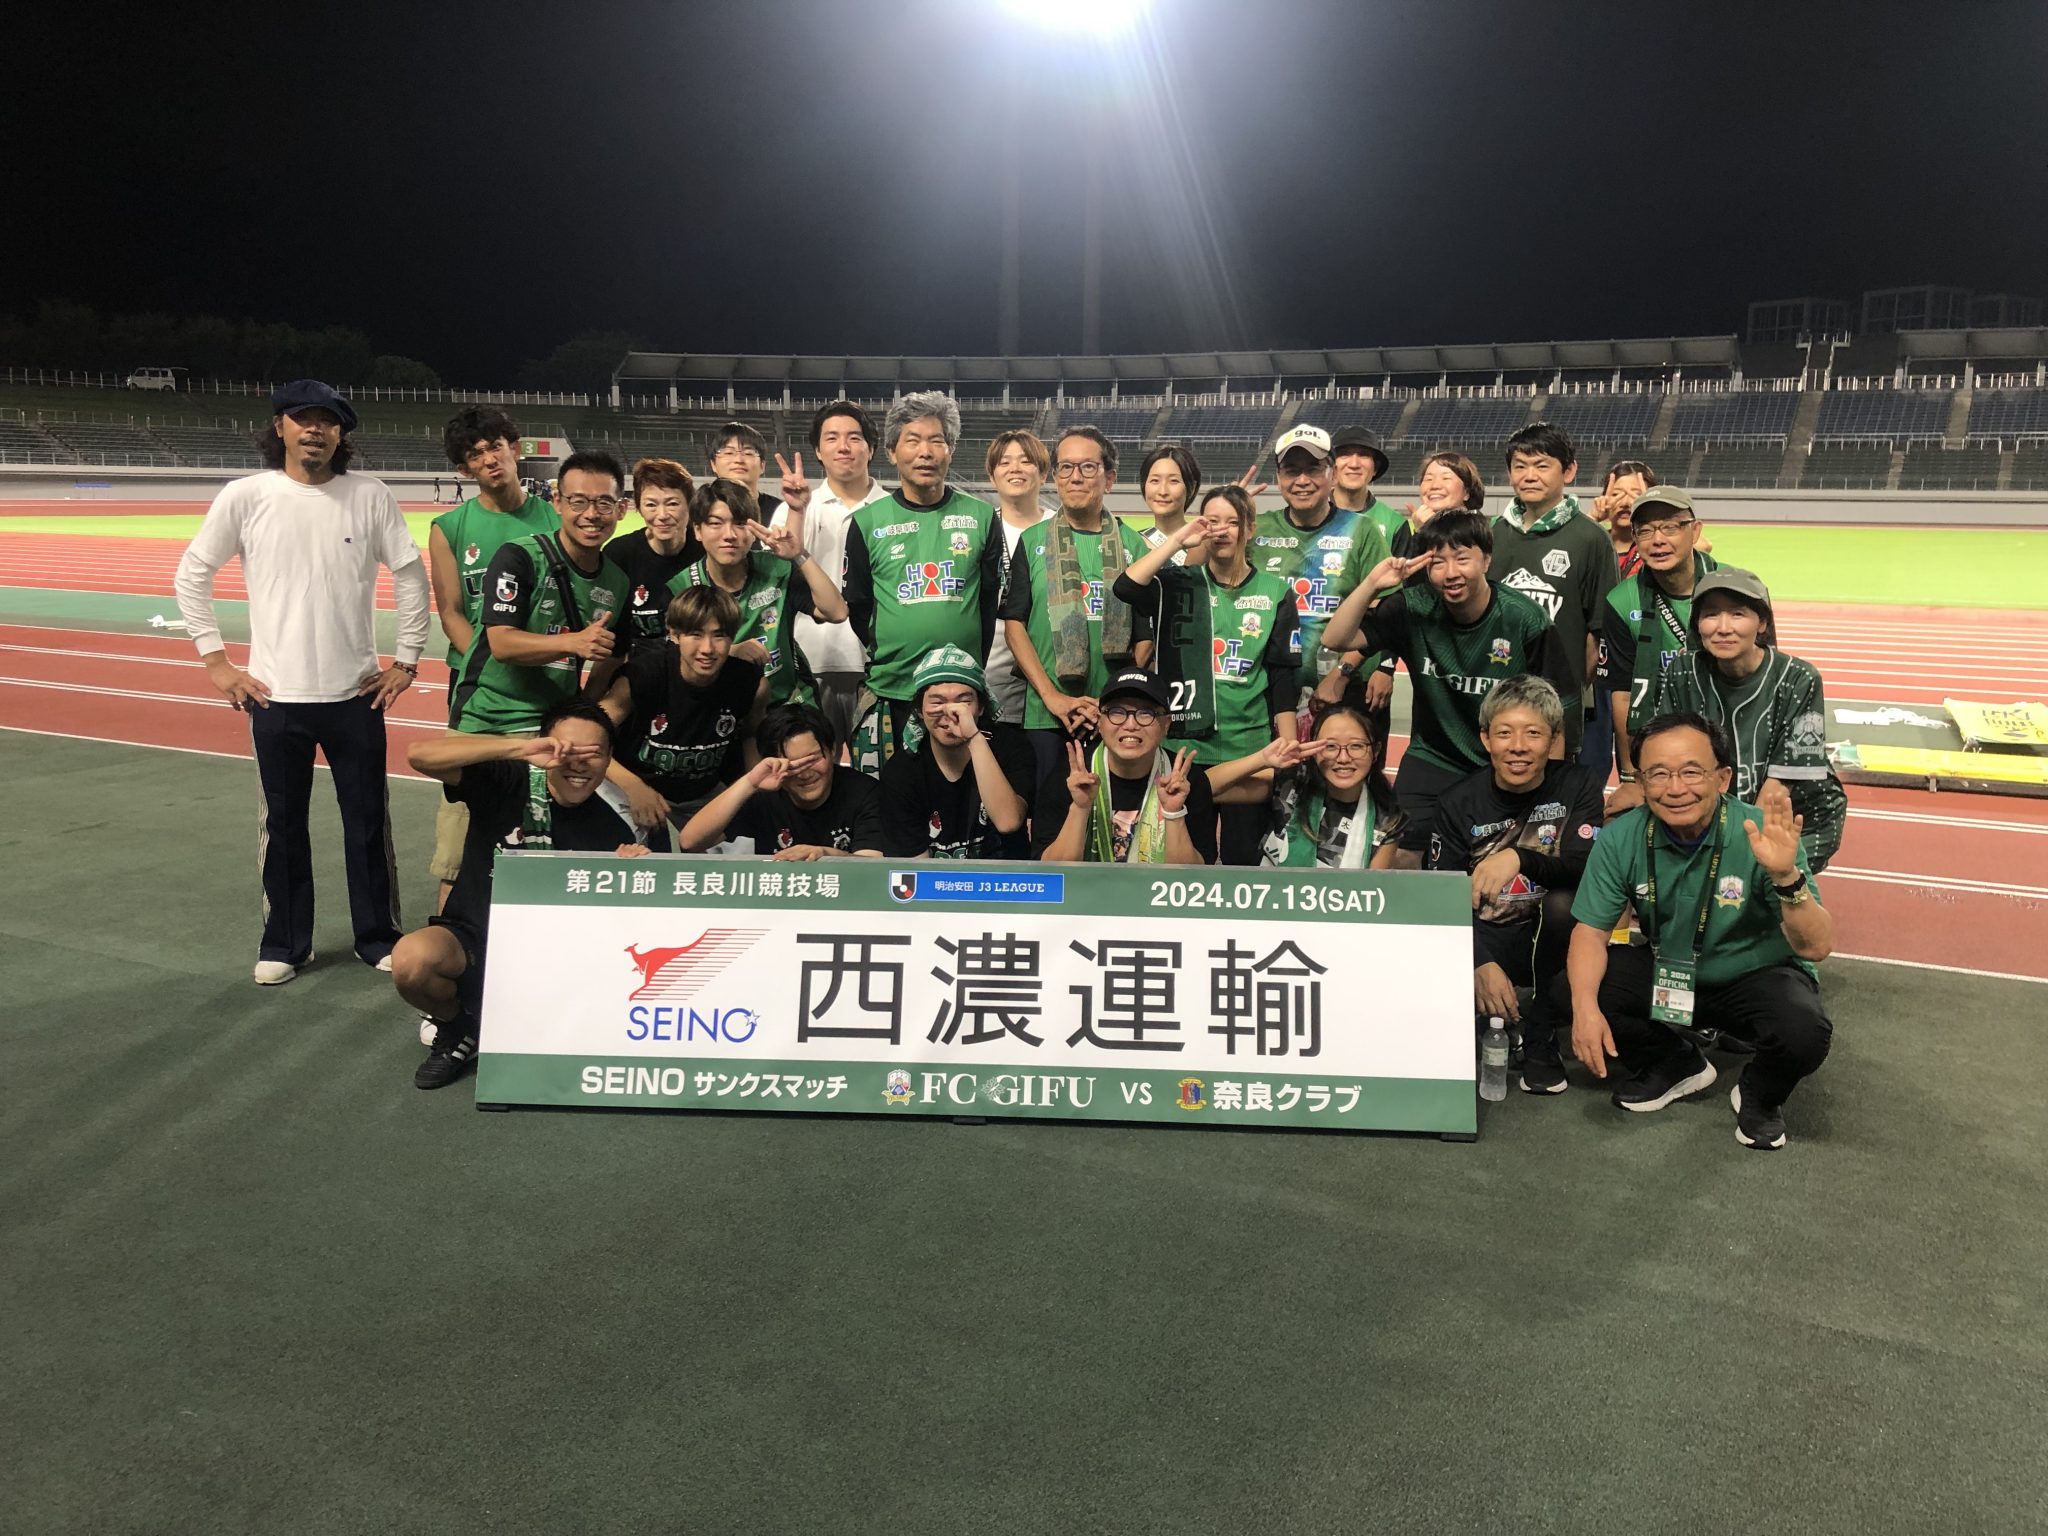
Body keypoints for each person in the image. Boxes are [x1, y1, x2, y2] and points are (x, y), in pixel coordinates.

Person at [174, 379, 430, 985]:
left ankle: (377, 935)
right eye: (302, 417)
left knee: (367, 823)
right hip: (276, 697)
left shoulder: (368, 495)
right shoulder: (247, 496)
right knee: (283, 826)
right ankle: (286, 944)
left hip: (355, 696)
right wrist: (216, 662)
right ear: (280, 426)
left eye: (328, 420)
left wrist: (407, 661)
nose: (315, 429)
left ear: (341, 433)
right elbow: (192, 573)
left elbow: (411, 574)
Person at [1557, 712, 1833, 1148]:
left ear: (1722, 778)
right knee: (1572, 989)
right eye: (1658, 774)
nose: (1675, 788)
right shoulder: (1621, 838)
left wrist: (1786, 877)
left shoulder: (1761, 834)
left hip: (1754, 977)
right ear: (1641, 782)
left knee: (1803, 1031)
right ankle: (1675, 1062)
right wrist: (1585, 1009)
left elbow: (1816, 947)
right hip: (1672, 970)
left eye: (1691, 772)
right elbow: (1589, 933)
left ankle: (1759, 1093)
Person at [394, 701, 663, 1090]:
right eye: (565, 749)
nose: (577, 764)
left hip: (555, 959)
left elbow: (633, 929)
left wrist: (632, 875)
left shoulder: (620, 823)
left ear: (608, 760)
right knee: (412, 961)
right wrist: (519, 748)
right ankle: (461, 1027)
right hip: (478, 938)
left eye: (592, 754)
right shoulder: (509, 781)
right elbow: (419, 754)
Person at [1323, 509, 1566, 867]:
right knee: (1399, 855)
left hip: (1502, 759)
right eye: (1438, 562)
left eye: (1462, 559)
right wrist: (1373, 583)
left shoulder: (1524, 620)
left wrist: (1547, 792)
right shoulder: (1414, 607)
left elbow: (1557, 717)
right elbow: (1335, 638)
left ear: (1486, 560)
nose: (1450, 572)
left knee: (1494, 864)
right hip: (1433, 755)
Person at [1427, 676, 1604, 1093]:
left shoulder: (1578, 784)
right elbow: (1439, 897)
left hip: (1553, 938)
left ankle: (1542, 1029)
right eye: (1505, 733)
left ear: (1554, 739)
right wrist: (1479, 962)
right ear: (1486, 738)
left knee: (1565, 903)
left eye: (1533, 734)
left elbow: (1584, 869)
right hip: (1486, 935)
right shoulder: (1457, 802)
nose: (1518, 747)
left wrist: (1519, 858)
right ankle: (1495, 1016)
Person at [1112, 485, 1300, 865]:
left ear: (1250, 528)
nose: (1222, 530)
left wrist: (1289, 748)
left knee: (1242, 862)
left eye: (1233, 522)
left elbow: (1284, 678)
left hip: (1248, 748)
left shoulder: (1276, 592)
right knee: (1185, 860)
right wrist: (1179, 540)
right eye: (1212, 521)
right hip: (1184, 749)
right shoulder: (1176, 583)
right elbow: (1126, 586)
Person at [425, 406, 561, 911]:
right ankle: (453, 932)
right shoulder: (449, 527)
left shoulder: (555, 517)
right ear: (464, 468)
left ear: (515, 449)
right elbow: (451, 612)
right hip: (476, 690)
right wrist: (494, 662)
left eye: (495, 447)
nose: (489, 459)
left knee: (548, 804)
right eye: (475, 453)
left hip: (548, 689)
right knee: (461, 828)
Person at [1648, 568, 1847, 870]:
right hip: (1713, 813)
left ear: (1762, 622)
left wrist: (1732, 856)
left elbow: (1779, 787)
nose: (1723, 628)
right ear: (1697, 623)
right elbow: (1666, 752)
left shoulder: (1798, 678)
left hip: (1791, 816)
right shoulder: (1683, 671)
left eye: (1738, 614)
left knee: (1763, 882)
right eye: (1711, 615)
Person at [843, 392, 1005, 758]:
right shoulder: (867, 522)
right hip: (892, 689)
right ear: (891, 452)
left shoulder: (982, 517)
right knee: (891, 789)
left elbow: (987, 603)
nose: (926, 452)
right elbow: (859, 604)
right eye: (913, 441)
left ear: (951, 450)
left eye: (936, 441)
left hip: (960, 691)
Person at [1000, 425, 1151, 786]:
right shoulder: (1031, 541)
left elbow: (1146, 637)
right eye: (1065, 467)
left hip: (1116, 717)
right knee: (1050, 815)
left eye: (1087, 467)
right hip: (1048, 715)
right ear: (1055, 477)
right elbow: (1014, 626)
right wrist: (1052, 697)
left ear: (1109, 478)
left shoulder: (1134, 546)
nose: (1075, 477)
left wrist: (1109, 701)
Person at [451, 450, 631, 734]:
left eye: (604, 503)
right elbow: (501, 643)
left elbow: (612, 658)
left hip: (555, 724)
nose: (591, 514)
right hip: (487, 720)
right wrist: (573, 642)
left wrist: (582, 707)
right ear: (558, 502)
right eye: (578, 501)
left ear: (621, 509)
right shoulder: (520, 556)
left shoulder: (618, 582)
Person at [1487, 422, 1617, 762]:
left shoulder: (1591, 539)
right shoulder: (1492, 534)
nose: (1529, 476)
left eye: (1542, 465)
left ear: (1569, 471)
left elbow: (1597, 632)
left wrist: (1571, 691)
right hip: (1495, 700)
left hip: (1557, 708)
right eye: (1520, 466)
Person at [597, 585, 765, 833]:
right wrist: (634, 787)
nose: (707, 648)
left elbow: (751, 734)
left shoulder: (750, 683)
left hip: (703, 795)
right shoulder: (644, 676)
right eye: (696, 634)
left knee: (746, 841)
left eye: (719, 636)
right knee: (629, 846)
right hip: (631, 786)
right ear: (674, 635)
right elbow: (589, 738)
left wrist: (756, 792)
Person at [1338, 448, 1487, 724]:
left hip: (1477, 660)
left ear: (1467, 491)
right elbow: (1405, 602)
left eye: (1446, 477)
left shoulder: (1485, 532)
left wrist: (1428, 532)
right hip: (1431, 666)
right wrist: (1385, 664)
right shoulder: (1411, 531)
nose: (1434, 485)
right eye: (1428, 478)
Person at [1250, 423, 1391, 712]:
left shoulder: (1362, 530)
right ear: (1278, 478)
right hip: (1266, 690)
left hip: (1343, 693)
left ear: (1333, 475)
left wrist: (1340, 675)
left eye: (1313, 469)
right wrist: (1225, 510)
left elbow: (1381, 615)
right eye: (1291, 470)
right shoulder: (1256, 530)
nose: (1302, 480)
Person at [1600, 486, 1720, 816]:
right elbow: (1623, 694)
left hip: (1725, 738)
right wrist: (1629, 777)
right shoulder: (1622, 601)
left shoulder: (1732, 588)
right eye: (1646, 530)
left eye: (1670, 527)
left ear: (1695, 530)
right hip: (1658, 748)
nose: (1658, 540)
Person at [680, 475, 848, 706]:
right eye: (716, 523)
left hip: (787, 702)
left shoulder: (777, 570)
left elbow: (837, 612)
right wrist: (729, 652)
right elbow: (673, 657)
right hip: (719, 706)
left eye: (740, 523)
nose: (729, 535)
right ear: (698, 530)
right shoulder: (681, 587)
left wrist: (799, 555)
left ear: (754, 530)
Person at [775, 401, 886, 748]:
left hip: (875, 661)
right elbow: (780, 574)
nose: (843, 446)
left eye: (854, 437)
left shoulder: (892, 510)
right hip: (811, 659)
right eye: (832, 438)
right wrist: (796, 510)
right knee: (814, 760)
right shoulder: (794, 508)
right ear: (818, 451)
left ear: (871, 448)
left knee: (874, 764)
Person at [1033, 668, 1213, 864]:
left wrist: (1173, 813)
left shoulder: (1186, 781)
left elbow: (1195, 877)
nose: (1130, 725)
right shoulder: (1071, 777)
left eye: (1146, 713)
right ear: (1100, 721)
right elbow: (1051, 872)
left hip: (1155, 886)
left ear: (1166, 724)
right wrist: (1080, 807)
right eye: (1117, 712)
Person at [876, 646, 1035, 859]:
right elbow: (912, 869)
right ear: (919, 710)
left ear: (981, 707)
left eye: (963, 701)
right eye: (937, 702)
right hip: (934, 879)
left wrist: (973, 737)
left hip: (1004, 877)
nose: (951, 712)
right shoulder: (902, 771)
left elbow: (1008, 822)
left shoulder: (1010, 746)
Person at [1208, 701, 1402, 869]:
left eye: (1356, 746)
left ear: (1376, 751)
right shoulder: (1292, 782)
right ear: (1315, 749)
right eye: (1330, 746)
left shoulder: (1388, 819)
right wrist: (1262, 759)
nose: (1343, 758)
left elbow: (1370, 891)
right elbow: (1205, 788)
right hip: (1270, 896)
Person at [680, 701, 883, 858]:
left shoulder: (863, 793)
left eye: (812, 760)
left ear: (832, 751)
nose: (804, 773)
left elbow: (872, 867)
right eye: (792, 765)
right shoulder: (766, 793)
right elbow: (690, 842)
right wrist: (750, 782)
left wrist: (824, 855)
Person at [983, 429, 1056, 725]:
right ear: (992, 476)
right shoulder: (980, 529)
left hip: (1055, 678)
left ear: (1044, 474)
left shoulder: (1060, 529)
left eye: (1026, 461)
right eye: (1004, 462)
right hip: (993, 678)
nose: (1015, 468)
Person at [604, 457, 701, 656]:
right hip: (640, 666)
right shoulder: (619, 554)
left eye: (672, 503)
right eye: (651, 505)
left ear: (690, 506)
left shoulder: (706, 551)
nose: (662, 515)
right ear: (639, 508)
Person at [1329, 425, 1399, 550]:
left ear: (1375, 468)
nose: (1354, 464)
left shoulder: (1394, 524)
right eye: (1344, 454)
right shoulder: (1308, 517)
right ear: (1330, 466)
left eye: (1364, 455)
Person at [1136, 443, 1203, 558]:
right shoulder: (1130, 544)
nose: (1163, 491)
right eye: (1155, 480)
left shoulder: (1204, 544)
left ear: (1192, 487)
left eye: (1173, 481)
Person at [707, 420, 780, 521]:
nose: (739, 460)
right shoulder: (700, 508)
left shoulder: (780, 511)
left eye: (748, 453)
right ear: (713, 464)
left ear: (762, 466)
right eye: (729, 453)